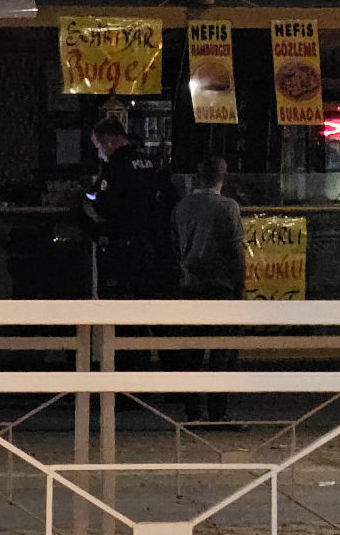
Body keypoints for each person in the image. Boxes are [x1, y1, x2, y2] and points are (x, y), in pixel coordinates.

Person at [165, 157, 246, 423]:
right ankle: (217, 411)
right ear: (223, 177)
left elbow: (174, 246)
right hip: (221, 287)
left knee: (192, 350)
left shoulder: (182, 207)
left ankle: (192, 410)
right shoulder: (228, 207)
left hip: (190, 285)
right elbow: (235, 251)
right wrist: (241, 287)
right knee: (223, 351)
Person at [86, 118, 178, 301]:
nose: (100, 154)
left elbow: (102, 203)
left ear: (108, 142)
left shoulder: (115, 165)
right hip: (155, 244)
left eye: (99, 147)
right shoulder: (149, 162)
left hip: (125, 246)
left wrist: (88, 200)